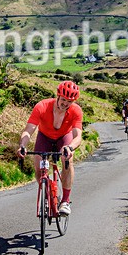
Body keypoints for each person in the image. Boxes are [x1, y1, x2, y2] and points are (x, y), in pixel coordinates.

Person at [17, 81, 83, 216]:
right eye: (64, 99)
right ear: (58, 96)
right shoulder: (42, 106)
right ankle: (46, 192)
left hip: (64, 137)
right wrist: (22, 145)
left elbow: (78, 136)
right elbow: (29, 130)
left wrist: (70, 147)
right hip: (45, 136)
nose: (65, 103)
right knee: (38, 165)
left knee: (67, 159)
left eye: (69, 101)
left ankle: (65, 200)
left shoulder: (76, 111)